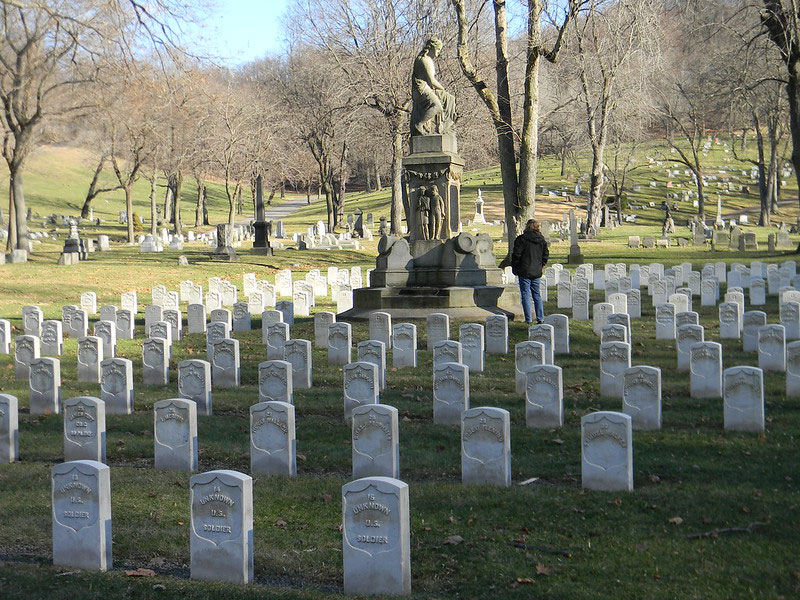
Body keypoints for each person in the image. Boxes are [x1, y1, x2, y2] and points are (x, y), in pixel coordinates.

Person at [511, 219, 549, 324]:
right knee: (536, 295)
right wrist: (542, 265)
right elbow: (545, 255)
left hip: (524, 270)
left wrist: (515, 266)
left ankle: (528, 319)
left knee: (525, 295)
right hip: (536, 270)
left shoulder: (521, 239)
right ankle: (540, 318)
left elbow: (516, 255)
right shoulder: (541, 240)